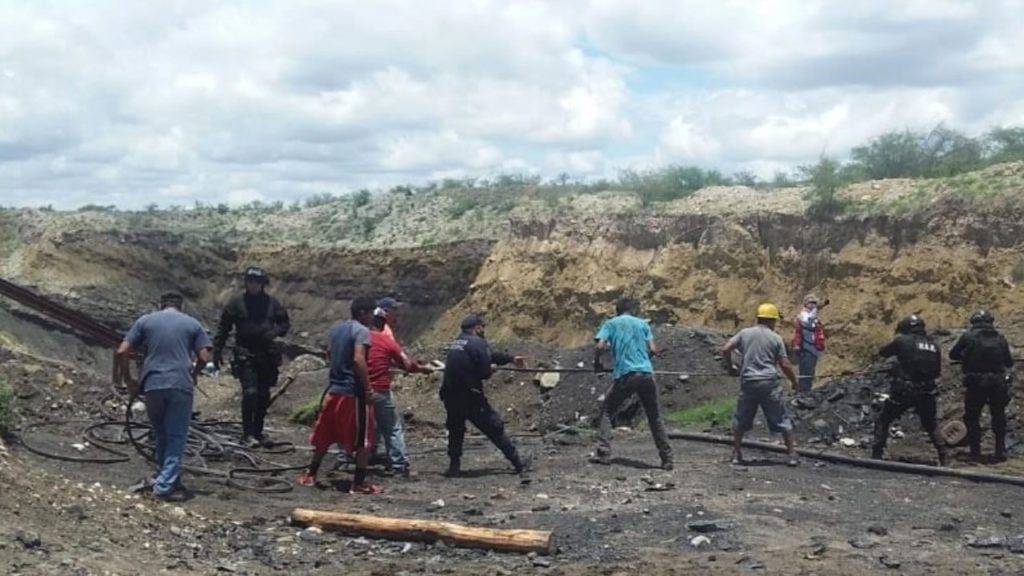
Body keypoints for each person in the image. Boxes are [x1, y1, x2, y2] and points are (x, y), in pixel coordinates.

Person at [117, 292, 212, 501]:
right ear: (181, 307)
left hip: (152, 384)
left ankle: (167, 477)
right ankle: (162, 489)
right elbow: (204, 357)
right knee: (176, 436)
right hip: (180, 385)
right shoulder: (192, 324)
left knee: (160, 434)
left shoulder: (146, 321)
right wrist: (194, 375)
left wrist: (130, 380)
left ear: (161, 305)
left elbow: (122, 351)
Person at [298, 296, 381, 494]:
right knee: (363, 439)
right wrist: (368, 389)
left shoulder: (337, 330)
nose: (372, 318)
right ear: (363, 313)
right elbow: (359, 359)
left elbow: (329, 353)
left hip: (334, 390)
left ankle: (311, 475)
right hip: (353, 393)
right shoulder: (362, 331)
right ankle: (359, 482)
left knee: (324, 435)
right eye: (371, 314)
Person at [441, 314, 530, 478]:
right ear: (477, 328)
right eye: (483, 327)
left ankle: (454, 467)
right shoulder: (477, 342)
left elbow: (489, 355)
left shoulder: (458, 341)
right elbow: (485, 371)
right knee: (494, 427)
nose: (484, 330)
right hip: (470, 397)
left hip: (451, 395)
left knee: (456, 430)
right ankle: (518, 463)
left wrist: (510, 359)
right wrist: (492, 369)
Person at [590, 297, 673, 470]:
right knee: (655, 416)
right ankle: (667, 458)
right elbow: (652, 349)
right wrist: (643, 359)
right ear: (633, 310)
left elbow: (599, 346)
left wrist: (598, 363)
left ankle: (603, 453)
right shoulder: (643, 324)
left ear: (617, 309)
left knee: (607, 411)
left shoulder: (611, 324)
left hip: (626, 374)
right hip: (646, 373)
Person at [212, 266, 291, 448]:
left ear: (263, 284)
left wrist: (274, 332)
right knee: (250, 393)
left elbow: (285, 323)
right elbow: (223, 329)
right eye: (249, 281)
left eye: (256, 282)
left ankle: (258, 432)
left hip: (267, 354)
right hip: (245, 353)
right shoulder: (236, 303)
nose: (253, 285)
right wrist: (217, 352)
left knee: (263, 395)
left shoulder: (272, 303)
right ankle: (247, 434)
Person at [720, 303, 800, 466]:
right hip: (769, 383)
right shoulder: (775, 338)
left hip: (749, 381)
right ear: (772, 321)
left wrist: (731, 367)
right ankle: (791, 455)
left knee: (741, 419)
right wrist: (794, 381)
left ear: (758, 318)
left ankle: (736, 454)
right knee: (781, 418)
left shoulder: (744, 333)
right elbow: (785, 364)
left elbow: (726, 349)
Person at [872, 315, 948, 466]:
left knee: (884, 419)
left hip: (905, 390)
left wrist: (898, 369)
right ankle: (944, 456)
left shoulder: (902, 341)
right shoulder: (934, 345)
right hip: (927, 390)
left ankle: (876, 454)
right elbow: (936, 371)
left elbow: (883, 352)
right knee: (931, 425)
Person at [368, 305, 432, 476]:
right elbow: (407, 365)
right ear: (382, 323)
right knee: (392, 427)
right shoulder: (387, 342)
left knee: (364, 425)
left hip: (358, 391)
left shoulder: (359, 338)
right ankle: (399, 464)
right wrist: (422, 369)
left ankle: (353, 457)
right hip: (380, 390)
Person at [950, 310, 1014, 462]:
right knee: (998, 415)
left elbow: (953, 354)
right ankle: (1000, 450)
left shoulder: (968, 336)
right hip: (998, 382)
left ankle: (975, 451)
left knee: (972, 417)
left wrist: (966, 357)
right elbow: (1009, 362)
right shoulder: (1000, 338)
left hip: (977, 382)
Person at [792, 295, 828, 395]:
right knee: (806, 372)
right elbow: (807, 322)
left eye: (815, 303)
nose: (814, 305)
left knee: (809, 371)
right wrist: (818, 308)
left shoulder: (812, 317)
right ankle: (803, 393)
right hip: (806, 349)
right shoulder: (803, 316)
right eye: (811, 303)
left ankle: (805, 392)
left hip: (813, 349)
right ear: (806, 304)